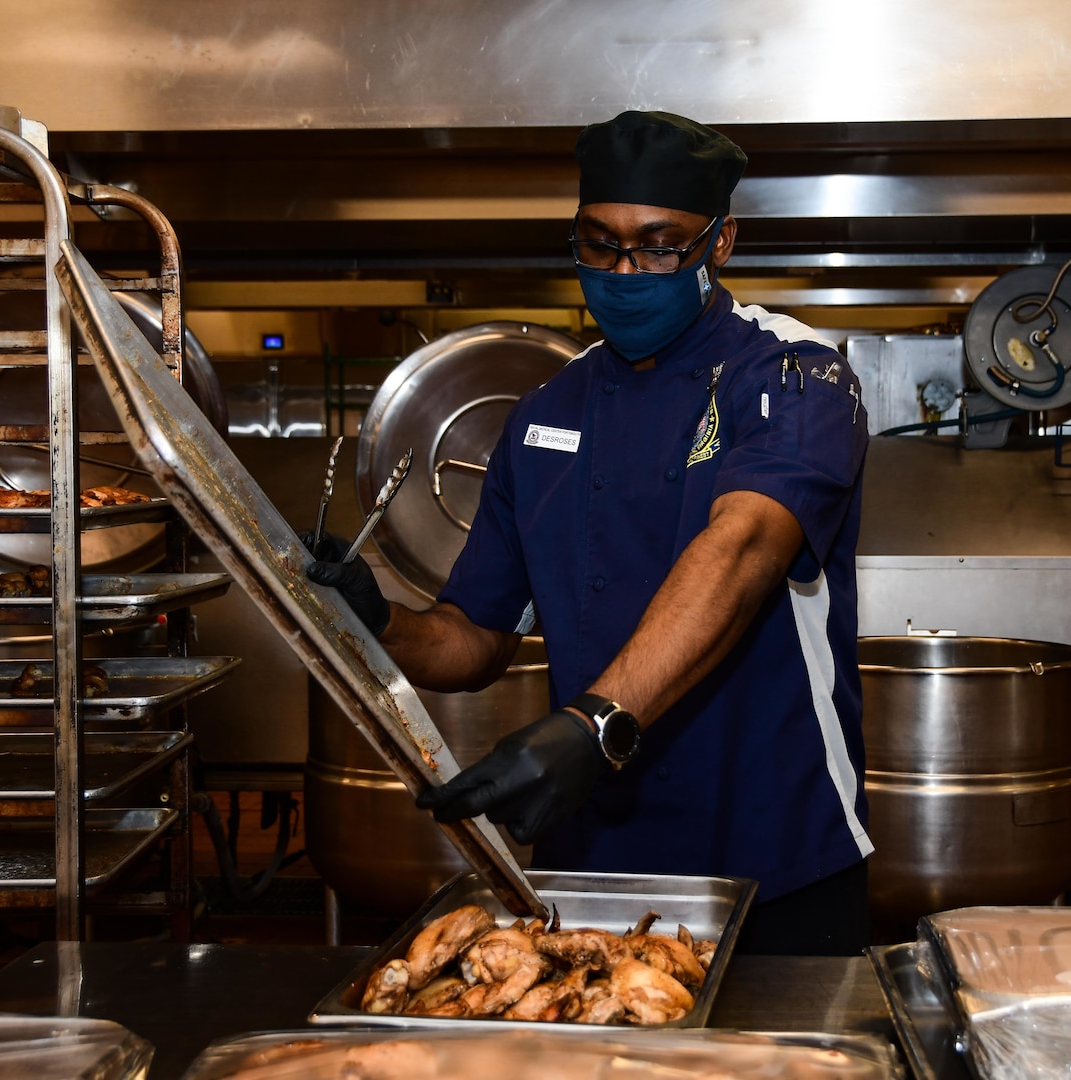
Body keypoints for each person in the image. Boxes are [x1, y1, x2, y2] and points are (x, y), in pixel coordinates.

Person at [306, 110, 873, 956]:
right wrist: (377, 619)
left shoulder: (793, 372)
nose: (625, 270)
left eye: (658, 244)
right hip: (595, 869)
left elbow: (744, 546)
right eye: (598, 243)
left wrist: (592, 726)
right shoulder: (547, 410)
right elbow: (475, 639)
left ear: (720, 243)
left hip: (774, 858)